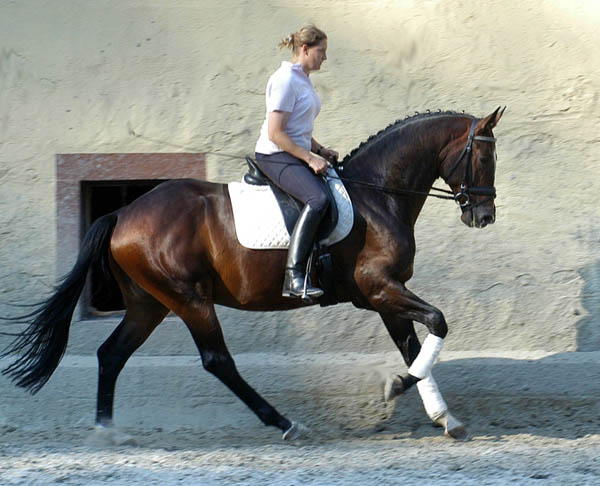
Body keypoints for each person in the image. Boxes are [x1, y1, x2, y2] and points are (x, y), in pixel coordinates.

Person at [255, 24, 339, 300]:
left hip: (292, 150)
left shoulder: (302, 78)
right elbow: (276, 133)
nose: (325, 57)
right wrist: (309, 158)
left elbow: (298, 127)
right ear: (304, 49)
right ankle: (294, 276)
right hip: (274, 155)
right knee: (318, 200)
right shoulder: (284, 80)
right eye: (321, 51)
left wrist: (319, 149)